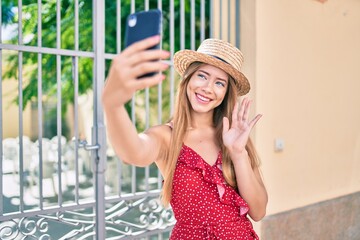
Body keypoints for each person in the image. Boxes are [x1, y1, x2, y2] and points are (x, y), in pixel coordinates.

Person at [102, 36, 268, 239]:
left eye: (219, 83)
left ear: (226, 93)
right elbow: (133, 153)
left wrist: (238, 153)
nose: (207, 88)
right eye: (202, 76)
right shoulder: (166, 136)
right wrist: (113, 106)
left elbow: (258, 212)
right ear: (188, 78)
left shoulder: (235, 137)